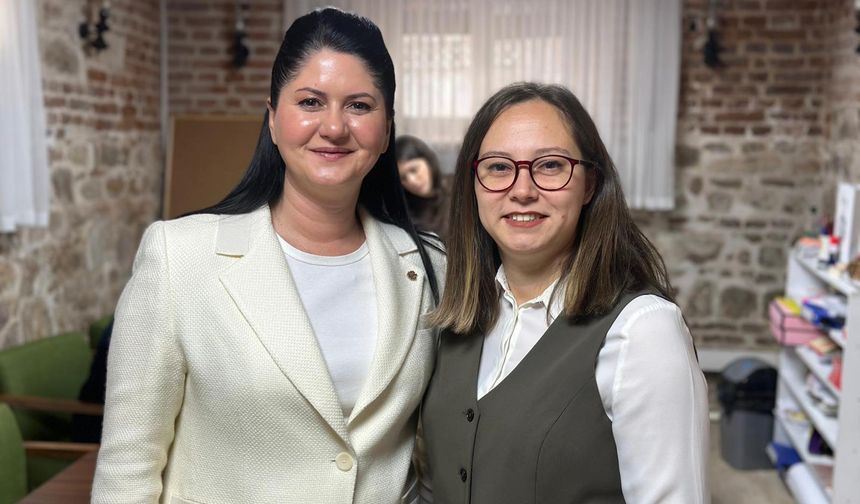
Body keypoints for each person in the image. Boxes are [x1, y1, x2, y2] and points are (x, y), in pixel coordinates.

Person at [92, 8, 444, 504]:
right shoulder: (181, 256)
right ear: (274, 119)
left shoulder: (430, 265)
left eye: (360, 106)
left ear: (386, 131)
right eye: (310, 101)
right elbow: (127, 470)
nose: (335, 126)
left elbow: (430, 458)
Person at [421, 82, 709, 503]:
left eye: (551, 166)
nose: (522, 190)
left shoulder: (643, 332)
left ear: (589, 184)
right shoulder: (457, 313)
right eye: (499, 167)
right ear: (474, 185)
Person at [395, 135, 451, 240]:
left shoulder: (457, 188)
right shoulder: (405, 211)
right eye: (403, 178)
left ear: (427, 161)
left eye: (414, 170)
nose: (412, 181)